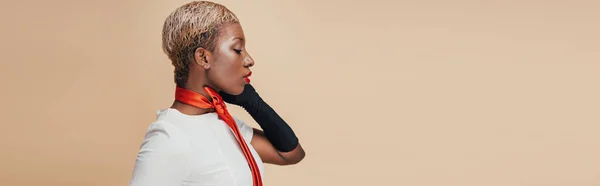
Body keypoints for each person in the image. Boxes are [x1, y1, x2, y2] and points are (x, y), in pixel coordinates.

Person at [128, 1, 306, 186]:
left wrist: (253, 103)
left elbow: (291, 154)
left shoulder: (226, 125)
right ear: (203, 57)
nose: (249, 60)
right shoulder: (169, 136)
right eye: (237, 49)